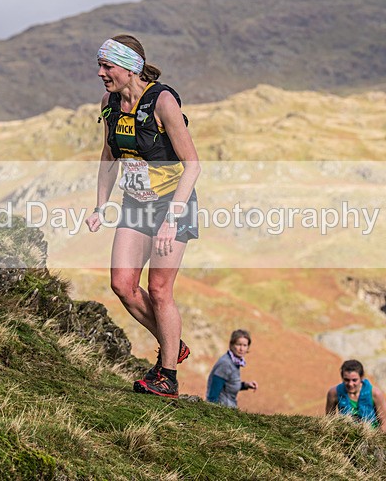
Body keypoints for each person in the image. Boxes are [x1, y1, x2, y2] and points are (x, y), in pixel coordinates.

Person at [85, 35, 201, 399]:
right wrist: (101, 205)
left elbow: (193, 165)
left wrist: (172, 218)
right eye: (100, 65)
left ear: (130, 67)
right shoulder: (109, 103)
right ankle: (172, 342)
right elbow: (109, 157)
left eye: (107, 66)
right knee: (122, 284)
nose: (101, 73)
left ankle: (168, 377)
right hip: (136, 203)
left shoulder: (162, 101)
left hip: (173, 204)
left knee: (160, 289)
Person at [325, 359, 386, 432]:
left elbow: (383, 422)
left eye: (354, 380)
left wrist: (378, 437)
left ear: (362, 377)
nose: (350, 384)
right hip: (344, 434)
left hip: (371, 434)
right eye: (346, 380)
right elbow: (330, 420)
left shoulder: (375, 394)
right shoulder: (334, 393)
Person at [206, 329, 258, 408]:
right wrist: (213, 413)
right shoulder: (225, 364)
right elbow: (212, 396)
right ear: (231, 345)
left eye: (244, 345)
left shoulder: (235, 362)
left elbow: (229, 386)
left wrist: (246, 385)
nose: (241, 349)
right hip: (222, 409)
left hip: (229, 408)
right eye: (238, 344)